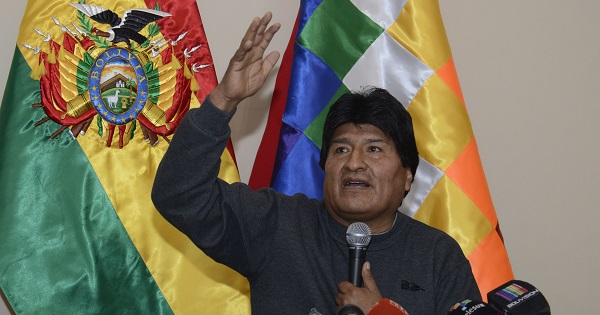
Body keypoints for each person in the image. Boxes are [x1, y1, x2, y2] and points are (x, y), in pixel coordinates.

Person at [151, 11, 481, 314]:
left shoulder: (438, 256)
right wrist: (223, 100)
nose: (354, 163)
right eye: (340, 149)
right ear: (324, 166)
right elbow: (180, 196)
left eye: (374, 149)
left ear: (408, 176)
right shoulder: (277, 224)